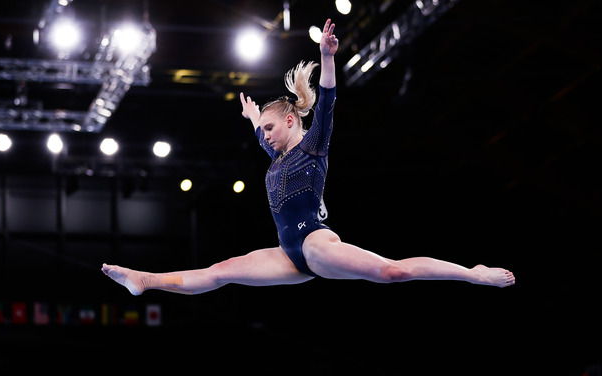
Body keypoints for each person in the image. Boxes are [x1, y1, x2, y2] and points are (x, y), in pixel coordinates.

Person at [101, 19, 515, 296]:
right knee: (222, 269)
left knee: (393, 272)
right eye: (262, 130)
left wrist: (328, 58)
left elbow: (329, 101)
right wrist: (251, 118)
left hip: (316, 245)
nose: (263, 136)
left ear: (290, 121)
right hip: (287, 254)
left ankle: (471, 272)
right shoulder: (275, 152)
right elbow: (261, 135)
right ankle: (144, 279)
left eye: (268, 127)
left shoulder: (312, 145)